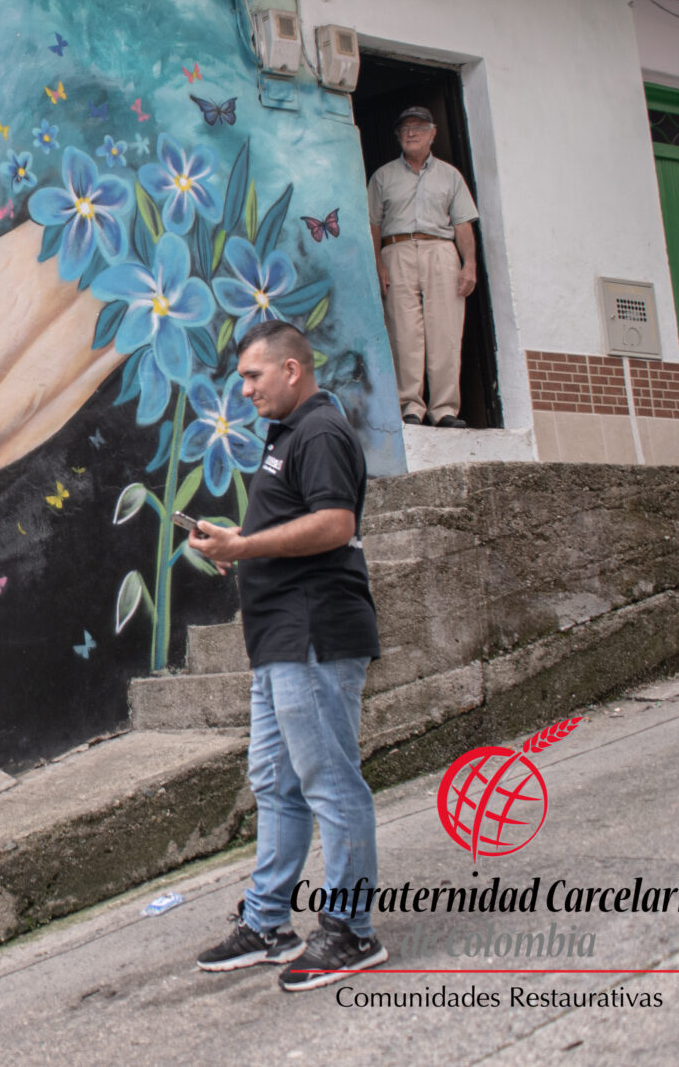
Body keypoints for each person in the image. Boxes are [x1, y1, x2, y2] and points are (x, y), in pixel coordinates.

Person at [186, 320, 386, 992]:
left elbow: (335, 523)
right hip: (278, 640)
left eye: (253, 375)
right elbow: (292, 525)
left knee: (330, 781)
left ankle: (352, 931)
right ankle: (269, 922)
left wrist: (244, 547)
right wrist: (237, 541)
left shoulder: (320, 431)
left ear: (292, 370)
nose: (244, 389)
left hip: (313, 634)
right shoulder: (289, 434)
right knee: (275, 782)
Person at [366, 105, 480, 429]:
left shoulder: (450, 175)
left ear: (433, 134)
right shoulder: (383, 176)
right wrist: (377, 263)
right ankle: (410, 407)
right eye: (405, 129)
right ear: (398, 136)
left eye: (418, 128)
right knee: (403, 331)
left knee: (445, 329)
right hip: (397, 249)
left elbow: (462, 224)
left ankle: (444, 409)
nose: (411, 133)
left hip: (440, 250)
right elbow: (373, 225)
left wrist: (469, 265)